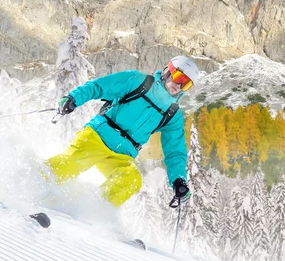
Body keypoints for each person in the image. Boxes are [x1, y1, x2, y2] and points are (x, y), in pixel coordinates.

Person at [46, 56, 200, 208]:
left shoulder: (172, 113)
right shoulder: (138, 81)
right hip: (98, 137)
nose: (179, 86)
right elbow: (100, 86)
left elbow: (175, 150)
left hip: (123, 154)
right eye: (179, 77)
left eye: (185, 85)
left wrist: (178, 180)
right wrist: (73, 99)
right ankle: (35, 181)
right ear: (168, 71)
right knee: (68, 165)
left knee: (131, 180)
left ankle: (91, 208)